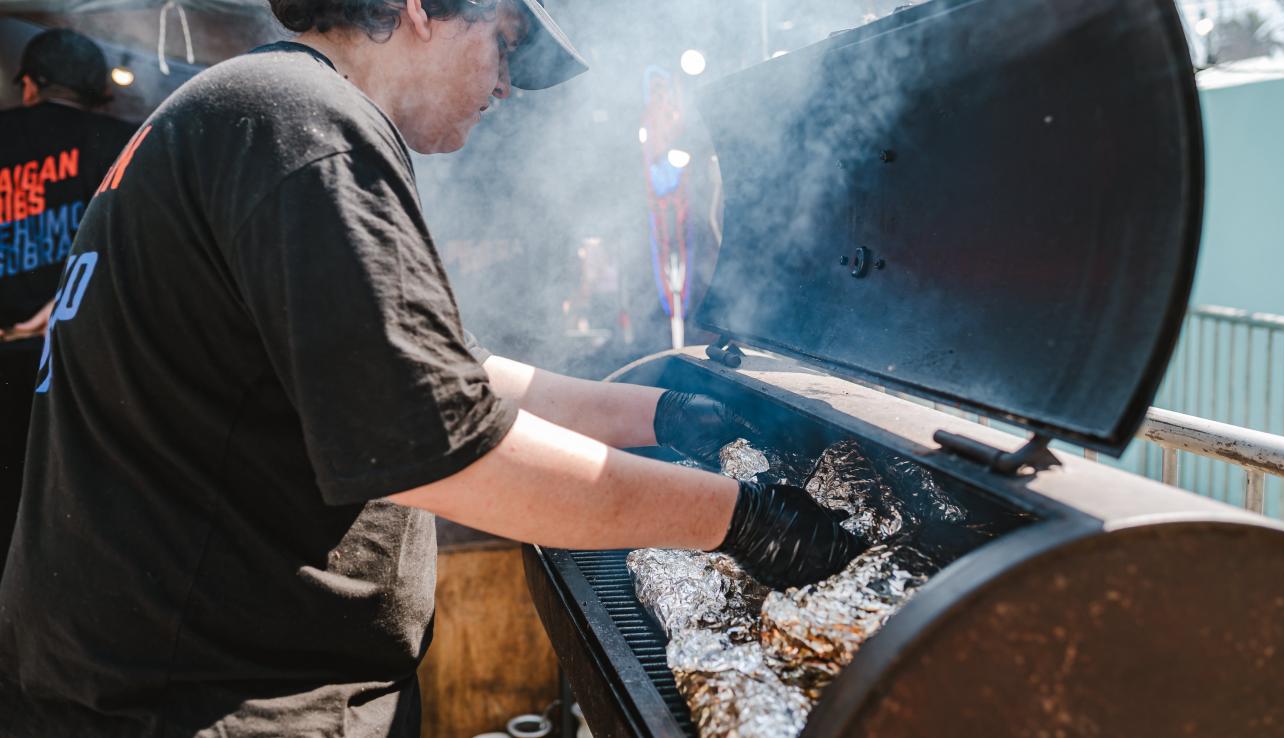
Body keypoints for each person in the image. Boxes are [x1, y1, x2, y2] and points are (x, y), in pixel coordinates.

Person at [0, 1, 865, 736]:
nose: (508, 87)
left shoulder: (246, 108)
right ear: (418, 8)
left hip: (139, 674)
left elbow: (446, 377)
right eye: (507, 45)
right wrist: (746, 521)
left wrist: (664, 413)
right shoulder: (306, 129)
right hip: (215, 699)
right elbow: (453, 450)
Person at [0, 29, 137, 567]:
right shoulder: (133, 143)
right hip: (84, 373)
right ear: (98, 93)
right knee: (74, 535)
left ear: (30, 85)